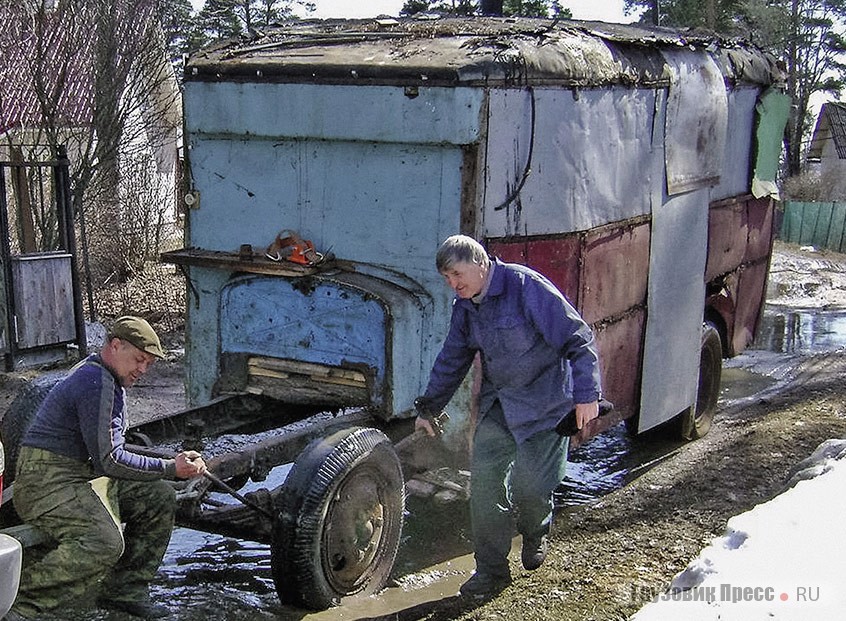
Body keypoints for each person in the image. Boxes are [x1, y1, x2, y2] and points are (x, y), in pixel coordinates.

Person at [414, 235, 602, 599]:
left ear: (480, 263)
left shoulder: (525, 287)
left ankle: (536, 529)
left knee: (530, 489)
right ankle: (491, 571)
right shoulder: (466, 306)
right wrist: (429, 408)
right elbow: (453, 358)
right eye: (446, 278)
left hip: (545, 404)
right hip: (499, 405)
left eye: (456, 274)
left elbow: (578, 338)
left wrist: (587, 394)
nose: (453, 284)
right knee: (484, 488)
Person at [6, 317, 207, 621]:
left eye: (149, 363)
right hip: (45, 482)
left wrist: (168, 469)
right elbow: (110, 460)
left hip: (78, 474)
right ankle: (20, 604)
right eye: (139, 359)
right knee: (105, 542)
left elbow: (108, 454)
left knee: (158, 497)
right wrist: (170, 467)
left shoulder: (105, 377)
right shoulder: (96, 382)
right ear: (115, 346)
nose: (143, 369)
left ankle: (125, 592)